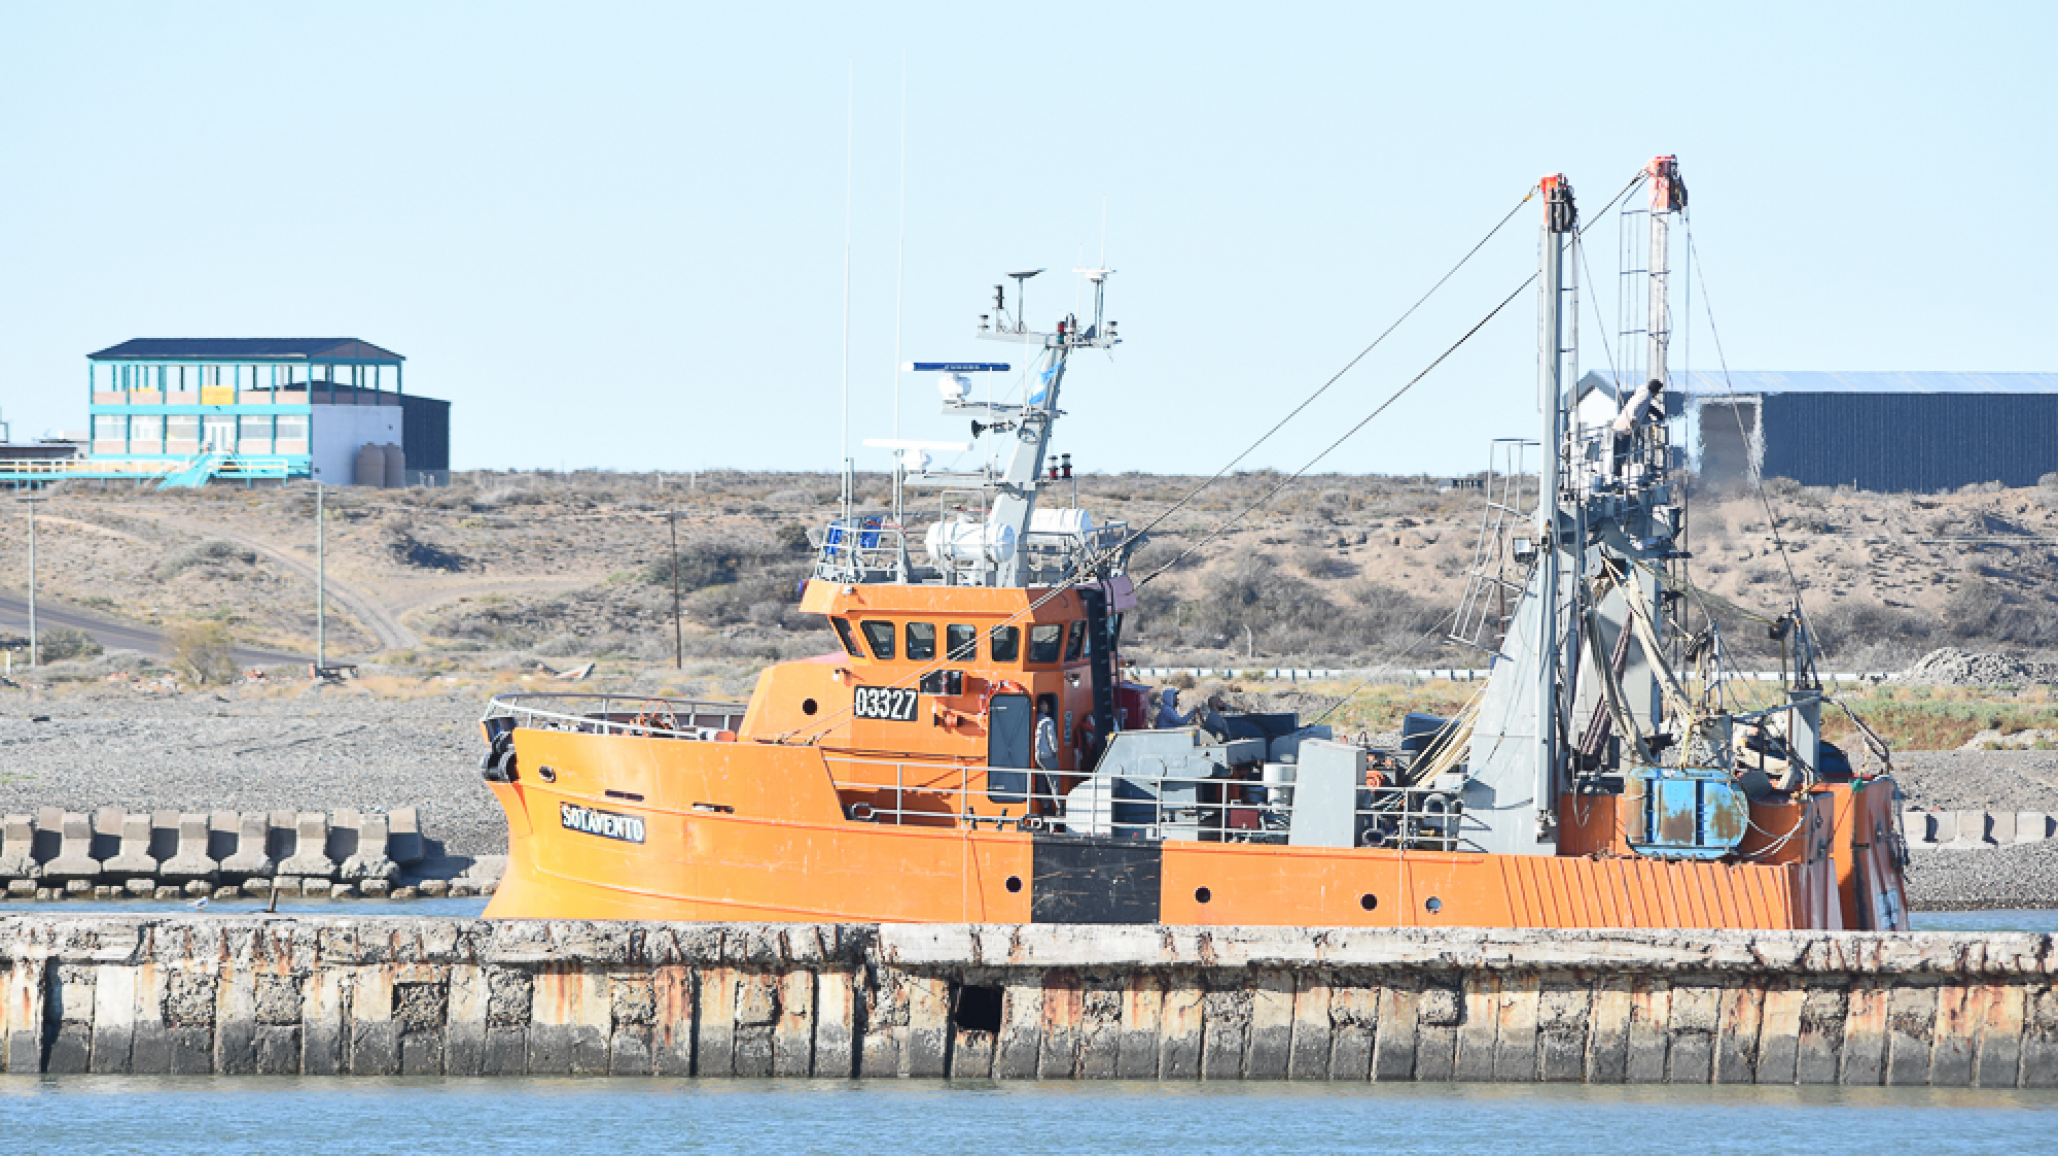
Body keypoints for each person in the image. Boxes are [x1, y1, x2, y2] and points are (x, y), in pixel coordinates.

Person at [1611, 378, 1664, 477]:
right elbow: (1636, 408)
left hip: (1619, 425)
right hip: (1625, 426)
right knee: (1621, 453)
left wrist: (1658, 415)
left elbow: (1646, 408)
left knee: (1618, 454)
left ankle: (1616, 475)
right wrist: (1632, 420)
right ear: (1656, 391)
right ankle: (1616, 476)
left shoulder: (1641, 394)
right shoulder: (1645, 396)